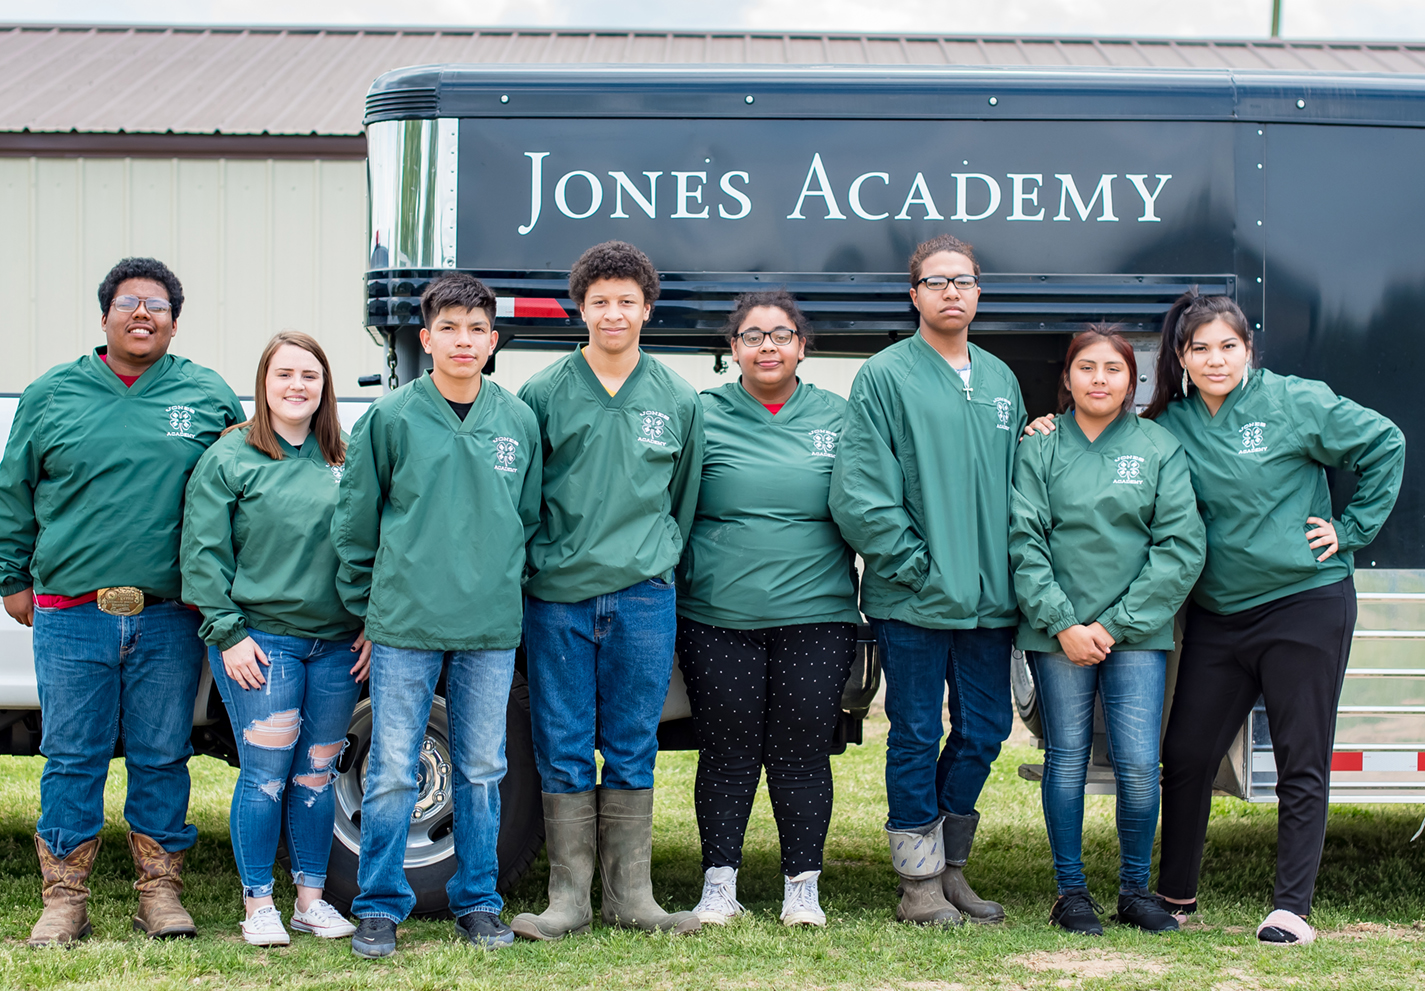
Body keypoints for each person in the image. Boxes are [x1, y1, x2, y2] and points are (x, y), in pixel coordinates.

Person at [1025, 292, 1405, 945]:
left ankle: (1291, 907)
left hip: (1302, 603)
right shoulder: (1170, 424)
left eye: (1227, 345)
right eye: (1198, 347)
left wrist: (1350, 529)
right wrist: (1046, 426)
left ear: (1248, 349)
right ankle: (1172, 893)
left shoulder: (1293, 401)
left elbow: (1383, 442)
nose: (1214, 358)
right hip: (1219, 616)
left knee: (1299, 757)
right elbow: (1114, 434)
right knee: (1187, 752)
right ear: (1179, 356)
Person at [0, 257, 244, 946]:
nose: (144, 313)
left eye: (158, 304)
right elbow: (13, 491)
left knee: (161, 754)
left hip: (171, 615)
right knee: (72, 754)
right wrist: (11, 575)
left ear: (174, 319)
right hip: (72, 613)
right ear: (105, 313)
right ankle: (64, 898)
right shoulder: (53, 393)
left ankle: (159, 892)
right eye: (130, 301)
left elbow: (243, 490)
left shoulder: (205, 394)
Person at [331, 274, 542, 957]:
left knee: (482, 767)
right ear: (425, 339)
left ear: (492, 340)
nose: (462, 340)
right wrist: (366, 606)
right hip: (404, 625)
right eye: (448, 327)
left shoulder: (516, 421)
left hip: (487, 626)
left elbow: (528, 521)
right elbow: (355, 524)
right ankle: (378, 905)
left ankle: (478, 901)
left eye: (476, 329)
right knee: (394, 767)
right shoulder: (390, 419)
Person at [829, 234, 1025, 926]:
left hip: (990, 600)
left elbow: (1020, 484)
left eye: (963, 281)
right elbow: (859, 493)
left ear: (978, 293)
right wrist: (915, 566)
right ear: (913, 295)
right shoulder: (885, 376)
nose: (951, 292)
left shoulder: (1001, 380)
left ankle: (950, 868)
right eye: (936, 281)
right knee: (913, 731)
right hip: (913, 598)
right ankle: (917, 884)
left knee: (983, 729)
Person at [512, 241, 704, 940]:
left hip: (642, 593)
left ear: (647, 308)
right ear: (579, 308)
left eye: (627, 300)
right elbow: (524, 497)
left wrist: (652, 561)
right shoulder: (543, 392)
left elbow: (681, 501)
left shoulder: (678, 398)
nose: (613, 313)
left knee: (632, 742)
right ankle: (567, 899)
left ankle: (632, 895)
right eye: (599, 301)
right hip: (557, 594)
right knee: (561, 741)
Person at [1009, 326, 1204, 936]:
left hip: (1136, 633)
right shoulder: (1039, 448)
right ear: (1066, 378)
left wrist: (1114, 624)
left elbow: (1180, 545)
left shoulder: (1157, 447)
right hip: (1057, 632)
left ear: (1132, 380)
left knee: (1140, 767)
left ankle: (1134, 890)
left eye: (1113, 369)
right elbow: (1024, 539)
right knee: (1066, 759)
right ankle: (1071, 892)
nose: (1099, 379)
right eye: (1086, 368)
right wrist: (1065, 622)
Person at [675, 291, 861, 929]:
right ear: (733, 350)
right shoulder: (702, 415)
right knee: (726, 750)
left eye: (781, 335)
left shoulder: (839, 417)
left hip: (817, 613)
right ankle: (719, 885)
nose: (768, 347)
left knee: (801, 752)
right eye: (753, 336)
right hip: (718, 614)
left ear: (802, 347)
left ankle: (801, 887)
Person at [181, 331, 370, 946]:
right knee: (264, 773)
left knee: (317, 774)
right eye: (284, 374)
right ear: (264, 383)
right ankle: (258, 902)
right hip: (261, 641)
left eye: (309, 376)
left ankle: (310, 901)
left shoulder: (344, 458)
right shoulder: (231, 457)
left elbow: (370, 546)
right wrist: (228, 633)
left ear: (325, 387)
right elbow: (203, 554)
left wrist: (370, 621)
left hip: (337, 644)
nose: (297, 386)